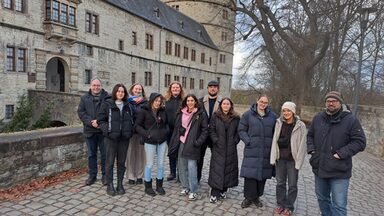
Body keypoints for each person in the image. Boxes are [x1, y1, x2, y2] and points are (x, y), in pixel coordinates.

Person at [307, 91, 366, 216]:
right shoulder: (318, 118)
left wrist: (341, 153)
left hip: (339, 170)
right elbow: (310, 136)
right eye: (328, 101)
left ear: (340, 102)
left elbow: (360, 142)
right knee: (322, 199)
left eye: (334, 101)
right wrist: (312, 150)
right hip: (320, 167)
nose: (331, 103)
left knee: (339, 205)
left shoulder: (350, 120)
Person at [238, 94, 277, 208]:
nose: (263, 104)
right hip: (252, 149)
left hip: (266, 150)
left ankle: (256, 197)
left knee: (262, 175)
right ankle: (248, 198)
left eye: (265, 102)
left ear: (268, 103)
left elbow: (276, 132)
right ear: (257, 101)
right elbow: (241, 130)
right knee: (250, 174)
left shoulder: (273, 117)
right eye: (261, 101)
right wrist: (248, 141)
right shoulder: (248, 115)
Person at [168, 94, 209, 201]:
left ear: (195, 102)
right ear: (186, 102)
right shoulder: (181, 112)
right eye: (188, 100)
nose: (190, 102)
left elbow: (205, 130)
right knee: (181, 166)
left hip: (193, 144)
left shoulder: (201, 114)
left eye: (192, 100)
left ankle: (193, 191)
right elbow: (177, 126)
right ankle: (185, 187)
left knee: (192, 167)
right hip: (182, 142)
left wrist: (198, 142)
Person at [270, 102, 307, 216]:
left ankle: (289, 207)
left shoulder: (300, 125)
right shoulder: (278, 123)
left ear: (293, 112)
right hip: (280, 158)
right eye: (284, 110)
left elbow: (303, 145)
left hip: (292, 159)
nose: (286, 113)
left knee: (292, 185)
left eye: (288, 111)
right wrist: (273, 157)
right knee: (280, 183)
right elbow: (274, 141)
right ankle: (280, 204)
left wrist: (299, 161)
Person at [98, 83, 134, 196]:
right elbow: (101, 120)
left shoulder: (128, 105)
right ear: (115, 92)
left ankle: (119, 184)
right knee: (109, 162)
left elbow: (133, 120)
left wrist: (129, 131)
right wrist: (107, 131)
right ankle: (110, 185)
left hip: (124, 138)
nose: (120, 93)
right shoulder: (107, 104)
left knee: (121, 162)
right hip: (111, 138)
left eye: (122, 92)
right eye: (118, 91)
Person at [135, 93, 169, 196]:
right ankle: (148, 187)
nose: (158, 103)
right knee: (149, 164)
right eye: (156, 101)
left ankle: (159, 186)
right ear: (152, 101)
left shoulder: (163, 111)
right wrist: (146, 134)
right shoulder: (143, 111)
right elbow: (137, 126)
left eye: (159, 101)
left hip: (162, 141)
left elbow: (166, 124)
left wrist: (165, 132)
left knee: (161, 164)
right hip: (150, 142)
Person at [208, 98, 240, 203]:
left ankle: (223, 189)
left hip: (231, 147)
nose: (226, 105)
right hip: (218, 146)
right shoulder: (215, 116)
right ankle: (215, 192)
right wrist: (215, 140)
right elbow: (211, 130)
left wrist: (235, 140)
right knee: (217, 168)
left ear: (231, 105)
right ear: (221, 105)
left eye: (228, 104)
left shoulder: (236, 118)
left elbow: (239, 131)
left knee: (228, 168)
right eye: (224, 104)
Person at [77, 77, 109, 186]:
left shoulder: (107, 98)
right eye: (94, 85)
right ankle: (92, 175)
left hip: (103, 131)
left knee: (105, 155)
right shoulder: (84, 98)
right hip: (89, 131)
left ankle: (105, 176)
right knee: (91, 155)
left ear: (101, 86)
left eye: (98, 85)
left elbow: (109, 113)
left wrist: (99, 122)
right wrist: (91, 122)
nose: (96, 87)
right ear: (91, 86)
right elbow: (81, 113)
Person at [198, 80, 222, 182]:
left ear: (218, 88)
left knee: (216, 159)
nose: (213, 88)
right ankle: (197, 178)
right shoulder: (200, 101)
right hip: (202, 134)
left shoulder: (223, 102)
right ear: (207, 88)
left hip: (215, 134)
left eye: (215, 87)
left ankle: (215, 180)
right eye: (211, 86)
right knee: (199, 158)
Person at [126, 83, 147, 185]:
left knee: (141, 155)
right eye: (136, 89)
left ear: (142, 91)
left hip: (141, 132)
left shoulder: (145, 103)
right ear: (132, 90)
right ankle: (130, 176)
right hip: (130, 132)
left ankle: (139, 176)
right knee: (130, 154)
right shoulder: (127, 102)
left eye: (140, 89)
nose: (138, 91)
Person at [165, 81, 184, 181]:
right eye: (173, 88)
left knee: (180, 152)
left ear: (180, 89)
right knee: (171, 151)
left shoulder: (184, 101)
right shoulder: (166, 100)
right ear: (170, 89)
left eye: (177, 88)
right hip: (170, 131)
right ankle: (173, 172)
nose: (175, 89)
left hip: (181, 131)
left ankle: (181, 173)